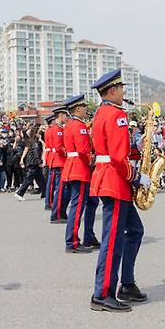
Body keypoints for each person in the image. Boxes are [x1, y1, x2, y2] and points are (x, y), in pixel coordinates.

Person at [89, 69, 148, 312]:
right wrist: (136, 176)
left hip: (112, 179)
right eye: (122, 88)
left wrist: (136, 147)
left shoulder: (105, 112)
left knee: (134, 230)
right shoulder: (115, 115)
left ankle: (126, 283)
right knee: (112, 241)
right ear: (112, 90)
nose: (124, 92)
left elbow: (116, 149)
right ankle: (102, 294)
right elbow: (116, 155)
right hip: (114, 180)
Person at [61, 94, 99, 253]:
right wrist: (92, 161)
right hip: (80, 168)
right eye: (84, 107)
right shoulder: (79, 126)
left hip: (73, 166)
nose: (86, 109)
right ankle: (72, 242)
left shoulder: (70, 124)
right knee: (77, 207)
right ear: (77, 108)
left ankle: (89, 235)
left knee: (91, 202)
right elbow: (83, 151)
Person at [48, 107, 69, 223]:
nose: (67, 118)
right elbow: (59, 147)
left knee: (62, 190)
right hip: (59, 161)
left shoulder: (56, 128)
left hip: (57, 160)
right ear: (61, 115)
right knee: (61, 190)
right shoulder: (57, 130)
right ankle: (56, 214)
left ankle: (60, 212)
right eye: (65, 115)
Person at [14, 126, 45, 200]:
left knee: (40, 179)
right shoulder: (35, 142)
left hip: (31, 162)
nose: (39, 134)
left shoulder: (30, 141)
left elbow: (27, 150)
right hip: (33, 162)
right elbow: (36, 153)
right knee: (28, 179)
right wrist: (39, 162)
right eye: (38, 133)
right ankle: (19, 193)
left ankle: (45, 193)